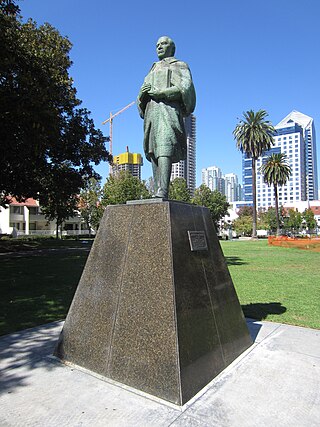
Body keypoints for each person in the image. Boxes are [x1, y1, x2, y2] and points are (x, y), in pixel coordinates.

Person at [137, 36, 196, 198]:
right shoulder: (152, 68)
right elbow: (140, 97)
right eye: (157, 45)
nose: (159, 47)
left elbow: (186, 87)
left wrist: (162, 93)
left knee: (164, 146)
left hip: (167, 111)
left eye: (163, 44)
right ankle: (157, 190)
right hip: (151, 113)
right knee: (153, 150)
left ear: (172, 48)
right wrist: (142, 94)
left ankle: (163, 190)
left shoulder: (180, 65)